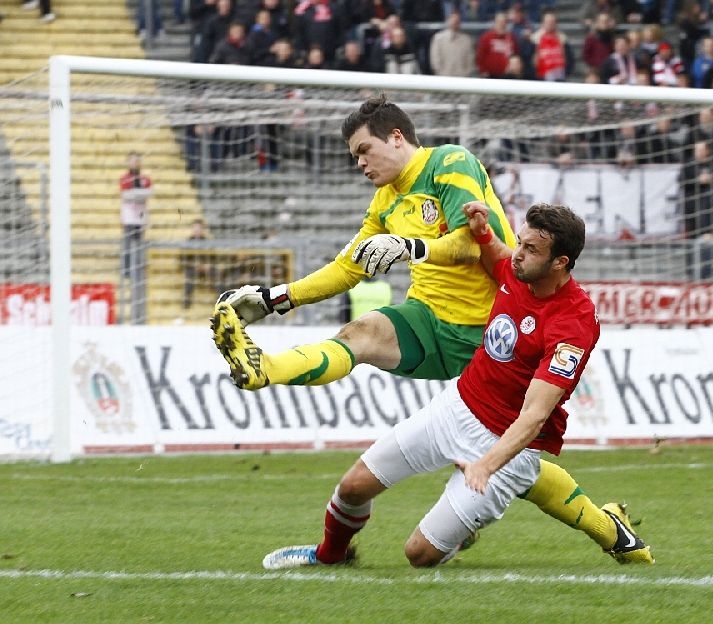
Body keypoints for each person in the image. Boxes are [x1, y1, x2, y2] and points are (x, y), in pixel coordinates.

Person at [210, 94, 652, 565]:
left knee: (483, 492)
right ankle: (265, 371)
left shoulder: (450, 163)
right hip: (434, 332)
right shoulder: (387, 200)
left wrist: (412, 247)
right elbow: (352, 265)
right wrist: (279, 298)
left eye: (364, 150)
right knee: (360, 336)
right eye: (354, 156)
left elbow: (469, 245)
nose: (360, 163)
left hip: (481, 332)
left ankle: (598, 525)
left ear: (396, 137)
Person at [119, 151, 153, 324]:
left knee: (139, 246)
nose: (135, 163)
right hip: (128, 218)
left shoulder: (145, 179)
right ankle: (127, 271)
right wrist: (139, 194)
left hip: (140, 218)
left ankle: (138, 269)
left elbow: (148, 193)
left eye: (137, 160)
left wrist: (136, 194)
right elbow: (126, 195)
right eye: (132, 160)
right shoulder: (125, 178)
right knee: (127, 245)